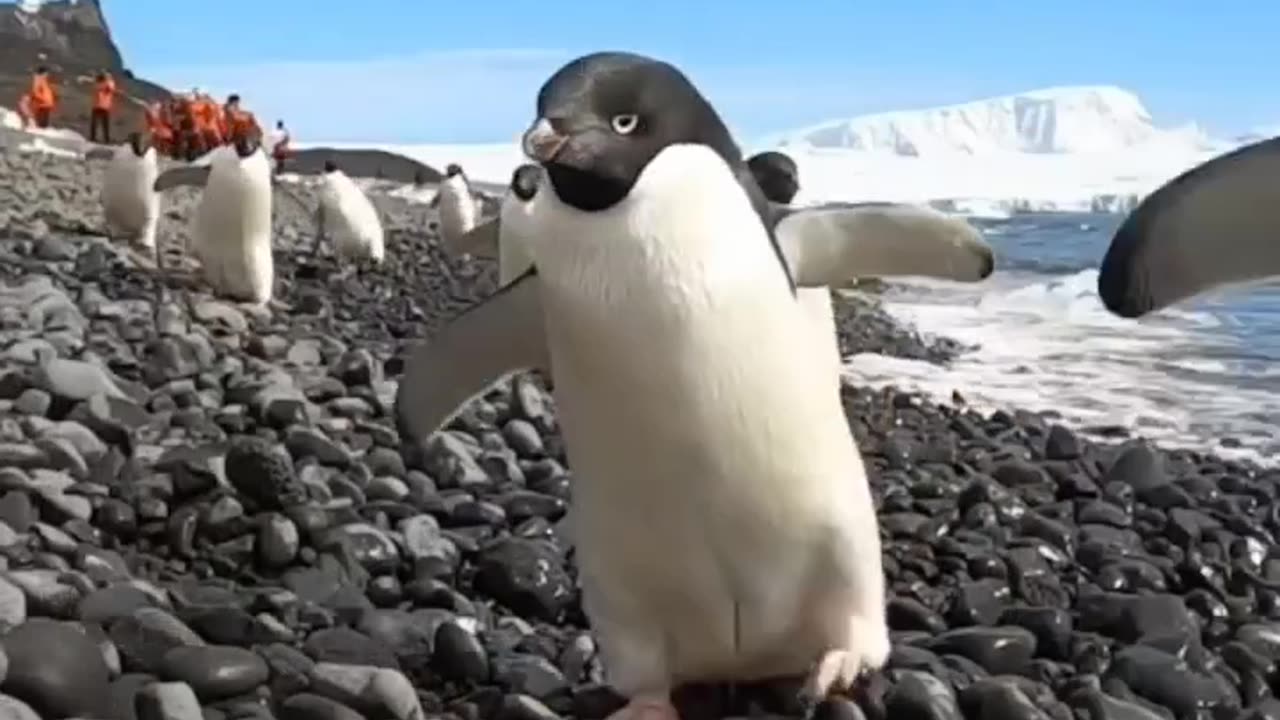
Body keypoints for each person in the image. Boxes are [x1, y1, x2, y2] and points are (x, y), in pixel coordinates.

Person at [89, 70, 117, 143]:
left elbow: (110, 89)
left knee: (104, 124)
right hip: (99, 106)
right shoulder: (100, 83)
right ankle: (94, 138)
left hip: (103, 107)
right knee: (96, 124)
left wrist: (106, 83)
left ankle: (105, 139)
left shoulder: (108, 84)